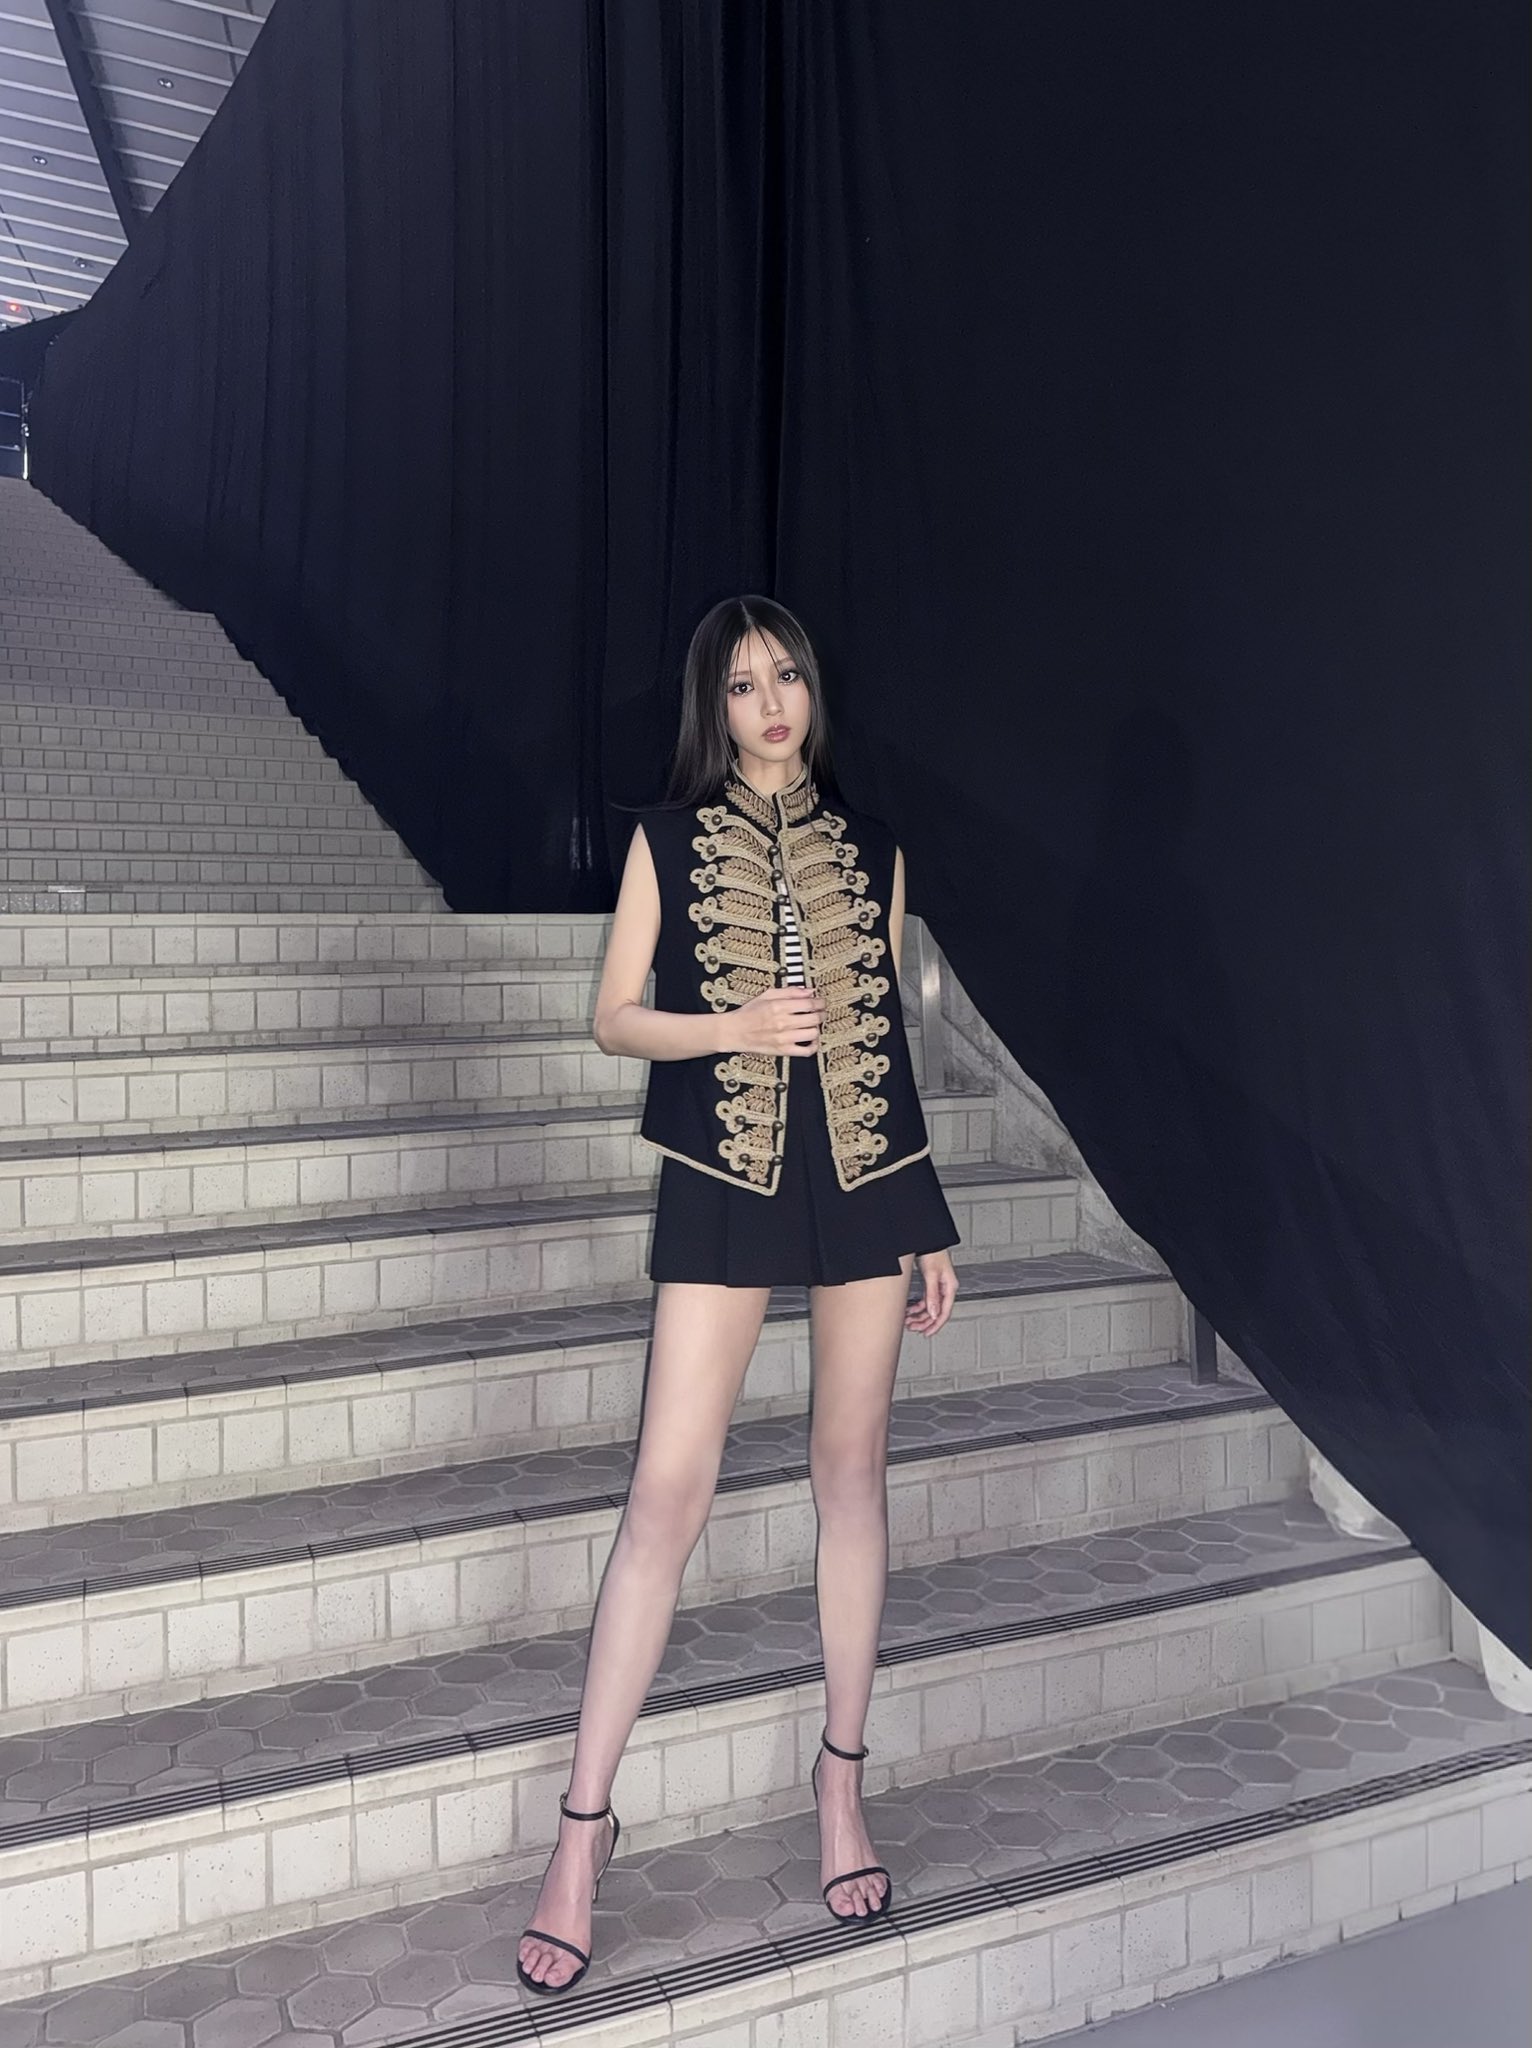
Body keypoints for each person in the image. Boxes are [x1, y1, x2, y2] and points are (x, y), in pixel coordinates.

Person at [517, 596, 962, 1994]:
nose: (772, 705)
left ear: (812, 692)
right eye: (745, 685)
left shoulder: (877, 851)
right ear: (713, 706)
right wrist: (735, 1027)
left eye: (788, 678)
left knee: (851, 1473)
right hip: (723, 1171)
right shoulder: (665, 840)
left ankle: (840, 1782)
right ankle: (581, 1830)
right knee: (666, 1493)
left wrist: (926, 1218)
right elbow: (612, 1018)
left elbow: (886, 1040)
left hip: (868, 1176)